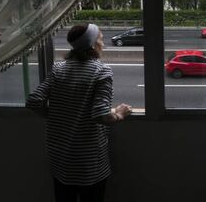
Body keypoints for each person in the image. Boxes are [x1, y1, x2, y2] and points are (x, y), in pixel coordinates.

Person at [26, 23, 132, 202]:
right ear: (92, 44)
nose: (103, 42)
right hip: (89, 164)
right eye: (100, 37)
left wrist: (59, 116)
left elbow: (34, 101)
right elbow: (100, 114)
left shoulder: (59, 68)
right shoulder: (101, 71)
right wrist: (120, 113)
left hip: (61, 159)